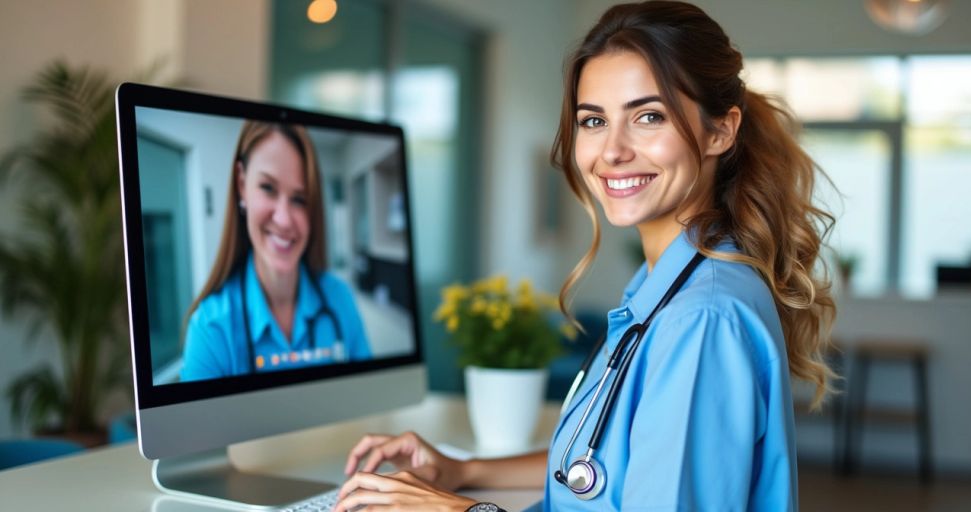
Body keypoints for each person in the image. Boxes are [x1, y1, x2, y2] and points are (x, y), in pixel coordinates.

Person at [335, 1, 836, 510]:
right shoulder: (663, 283)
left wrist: (458, 508)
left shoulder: (700, 318)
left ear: (720, 131)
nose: (612, 151)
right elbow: (605, 464)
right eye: (593, 120)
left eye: (648, 116)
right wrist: (462, 470)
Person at [180, 121, 371, 381]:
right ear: (241, 184)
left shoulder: (340, 299)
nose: (283, 219)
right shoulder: (211, 329)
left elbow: (371, 410)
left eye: (299, 199)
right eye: (268, 188)